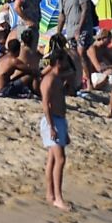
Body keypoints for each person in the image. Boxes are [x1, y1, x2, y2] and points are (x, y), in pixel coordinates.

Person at [37, 42, 74, 211]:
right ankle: (58, 198)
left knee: (52, 159)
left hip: (59, 120)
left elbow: (72, 71)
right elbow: (45, 104)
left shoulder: (57, 77)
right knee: (60, 159)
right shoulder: (49, 80)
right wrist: (52, 126)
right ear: (59, 62)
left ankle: (50, 195)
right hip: (52, 121)